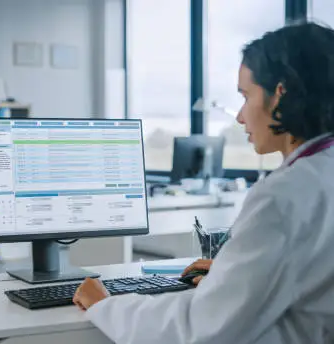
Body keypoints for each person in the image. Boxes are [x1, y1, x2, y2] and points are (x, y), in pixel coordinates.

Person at [73, 21, 334, 344]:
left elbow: (199, 329)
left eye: (246, 95)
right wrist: (234, 276)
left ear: (280, 94)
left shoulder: (284, 197)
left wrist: (106, 305)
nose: (240, 116)